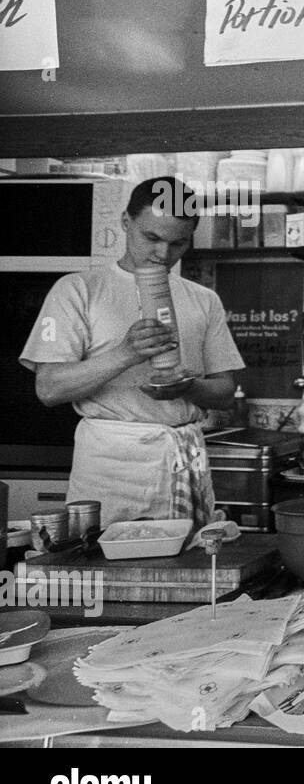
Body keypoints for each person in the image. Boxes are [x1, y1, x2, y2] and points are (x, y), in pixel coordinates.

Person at [19, 177, 246, 528]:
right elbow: (48, 389)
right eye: (152, 237)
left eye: (178, 243)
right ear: (126, 222)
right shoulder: (79, 290)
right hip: (111, 468)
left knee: (185, 573)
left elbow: (225, 392)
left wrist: (186, 387)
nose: (163, 254)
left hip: (183, 458)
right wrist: (126, 353)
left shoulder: (203, 300)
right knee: (107, 566)